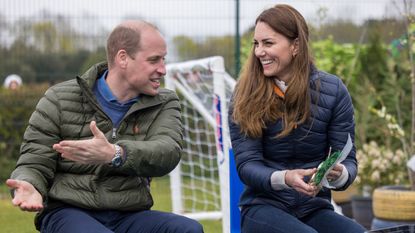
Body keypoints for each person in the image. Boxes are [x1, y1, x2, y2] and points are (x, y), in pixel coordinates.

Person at [6, 20, 204, 233]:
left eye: (164, 59)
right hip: (68, 211)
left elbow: (167, 152)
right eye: (154, 60)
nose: (163, 69)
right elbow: (34, 160)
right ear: (123, 58)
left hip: (130, 213)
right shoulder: (59, 98)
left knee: (189, 229)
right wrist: (29, 185)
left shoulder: (164, 102)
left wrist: (115, 153)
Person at [228, 4, 366, 233]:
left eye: (268, 43)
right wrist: (286, 178)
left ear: (296, 46)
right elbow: (247, 165)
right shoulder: (245, 95)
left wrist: (339, 173)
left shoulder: (334, 91)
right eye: (256, 43)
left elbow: (349, 160)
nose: (259, 51)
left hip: (314, 208)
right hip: (262, 208)